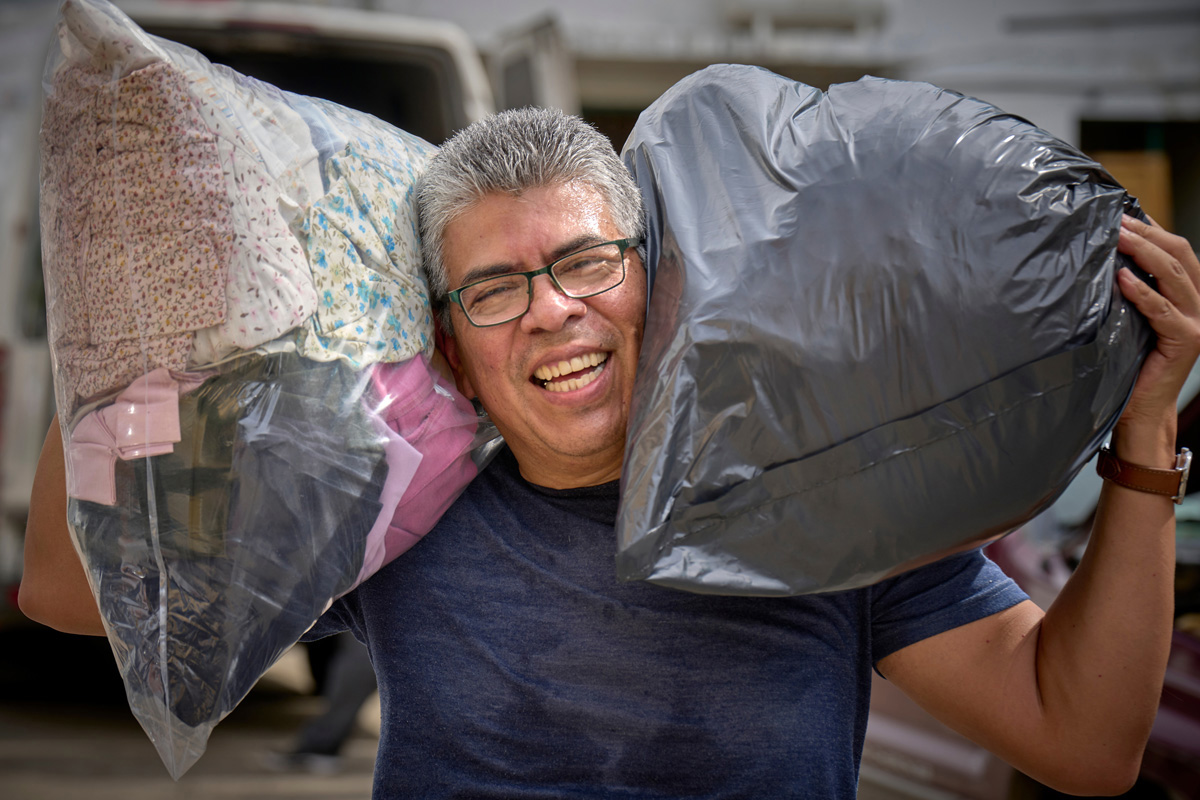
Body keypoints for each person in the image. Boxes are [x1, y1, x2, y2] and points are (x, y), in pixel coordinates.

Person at [19, 106, 1200, 798]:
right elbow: (73, 597)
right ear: (448, 341)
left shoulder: (812, 491)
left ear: (657, 279)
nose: (551, 311)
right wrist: (114, 340)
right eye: (495, 287)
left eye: (588, 264)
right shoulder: (394, 506)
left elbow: (1083, 742)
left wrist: (1145, 441)